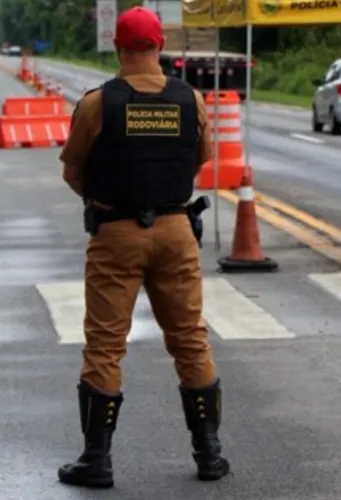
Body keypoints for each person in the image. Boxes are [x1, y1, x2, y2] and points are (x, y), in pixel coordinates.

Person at [55, 5, 230, 489]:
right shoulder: (189, 99)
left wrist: (105, 199)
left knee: (106, 345)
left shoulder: (98, 103)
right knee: (190, 338)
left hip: (115, 233)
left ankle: (97, 459)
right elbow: (200, 160)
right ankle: (209, 454)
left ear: (118, 47)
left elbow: (72, 171)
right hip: (176, 231)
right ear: (160, 46)